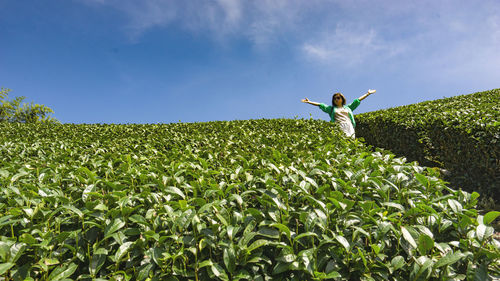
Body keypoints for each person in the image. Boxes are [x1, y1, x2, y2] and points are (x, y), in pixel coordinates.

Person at [301, 89, 376, 138]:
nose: (336, 99)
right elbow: (321, 105)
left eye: (338, 98)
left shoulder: (348, 108)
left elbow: (357, 100)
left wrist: (368, 93)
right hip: (338, 126)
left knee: (351, 140)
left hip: (349, 125)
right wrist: (309, 102)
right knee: (342, 140)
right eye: (334, 98)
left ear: (342, 99)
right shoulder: (331, 109)